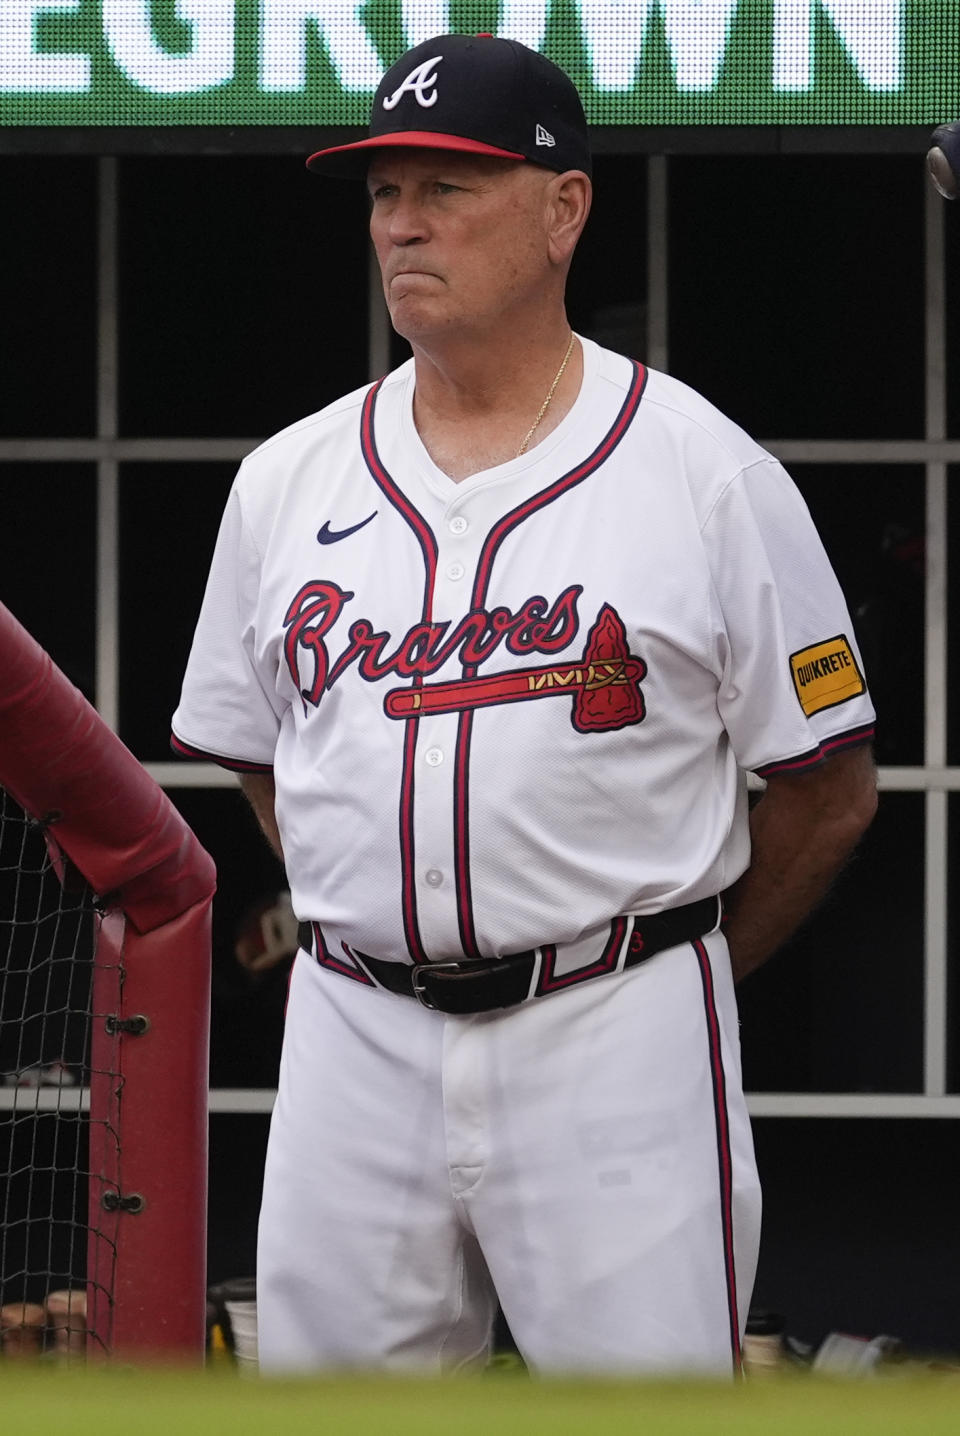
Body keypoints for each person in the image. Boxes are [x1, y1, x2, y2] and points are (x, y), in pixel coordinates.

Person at [171, 33, 877, 1376]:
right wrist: (387, 900)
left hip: (616, 1025)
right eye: (385, 193)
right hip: (354, 1027)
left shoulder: (702, 471)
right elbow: (263, 758)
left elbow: (829, 792)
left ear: (565, 211)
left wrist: (678, 964)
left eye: (450, 186)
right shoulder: (284, 481)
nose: (404, 224)